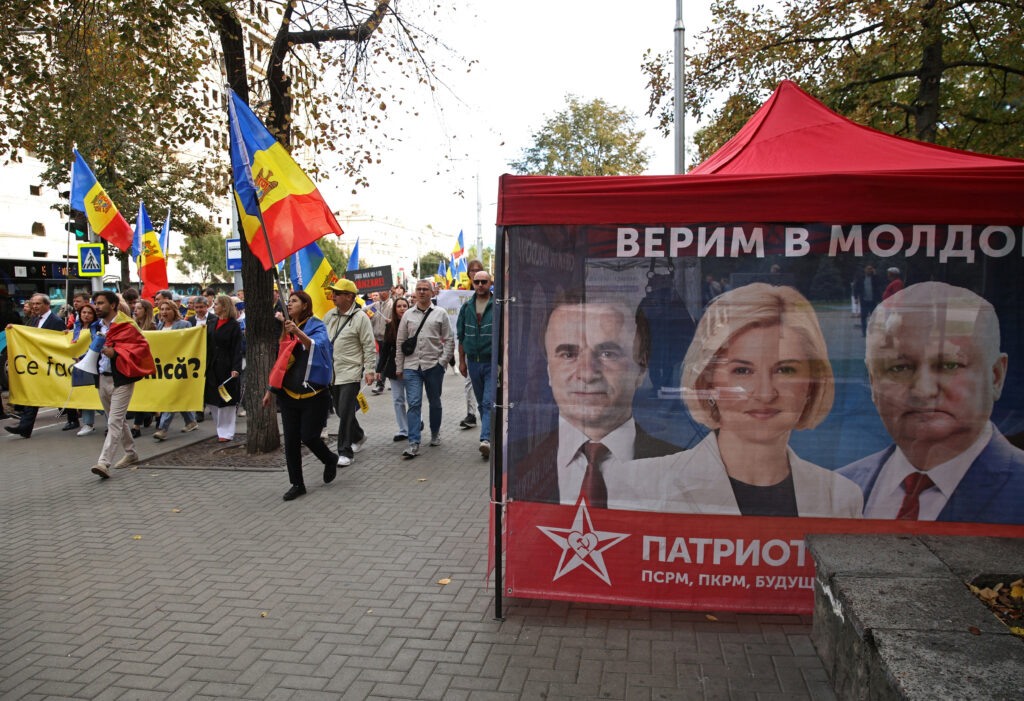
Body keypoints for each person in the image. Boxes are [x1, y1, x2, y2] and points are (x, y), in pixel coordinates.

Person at [636, 284, 862, 517]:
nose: (765, 394)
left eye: (785, 370)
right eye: (742, 371)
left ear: (811, 385)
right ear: (708, 383)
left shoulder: (842, 498)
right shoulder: (648, 485)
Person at [839, 282, 1024, 523]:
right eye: (899, 368)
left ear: (996, 376)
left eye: (949, 365)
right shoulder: (837, 491)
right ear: (873, 383)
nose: (923, 390)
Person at [509, 289, 682, 506]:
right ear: (549, 369)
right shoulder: (514, 462)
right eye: (568, 354)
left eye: (608, 354)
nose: (588, 374)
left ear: (642, 367)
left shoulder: (684, 469)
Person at [263, 290, 338, 501]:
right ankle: (297, 484)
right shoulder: (286, 330)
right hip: (288, 395)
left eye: (294, 301)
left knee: (310, 436)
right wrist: (270, 390)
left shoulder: (316, 325)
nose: (289, 304)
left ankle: (329, 458)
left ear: (305, 305)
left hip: (314, 395)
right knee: (291, 441)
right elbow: (282, 363)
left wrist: (297, 332)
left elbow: (317, 346)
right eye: (289, 301)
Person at [88, 290, 155, 478]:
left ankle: (103, 462)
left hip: (122, 378)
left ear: (113, 305)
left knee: (114, 421)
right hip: (102, 378)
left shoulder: (127, 325)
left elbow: (140, 348)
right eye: (95, 303)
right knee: (117, 420)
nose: (97, 307)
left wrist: (116, 353)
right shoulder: (96, 326)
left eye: (100, 303)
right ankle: (131, 453)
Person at [395, 279, 454, 459]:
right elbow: (400, 341)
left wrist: (442, 362)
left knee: (434, 402)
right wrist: (399, 366)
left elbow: (449, 339)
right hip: (412, 366)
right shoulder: (408, 315)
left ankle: (435, 432)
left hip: (433, 366)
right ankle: (414, 442)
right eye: (419, 289)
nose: (421, 292)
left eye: (425, 289)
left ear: (432, 292)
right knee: (413, 403)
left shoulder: (440, 313)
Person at [323, 279, 376, 466]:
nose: (333, 296)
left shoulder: (361, 318)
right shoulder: (329, 315)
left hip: (351, 371)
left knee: (345, 411)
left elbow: (369, 345)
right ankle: (359, 435)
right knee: (340, 410)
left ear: (349, 297)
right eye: (333, 293)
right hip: (332, 372)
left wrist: (370, 370)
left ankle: (345, 452)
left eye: (337, 293)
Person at [4, 293, 69, 438]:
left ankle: (73, 418)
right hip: (35, 365)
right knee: (33, 394)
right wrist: (13, 328)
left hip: (51, 365)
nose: (34, 306)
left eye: (38, 304)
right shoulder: (33, 320)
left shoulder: (56, 321)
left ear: (47, 305)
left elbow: (61, 343)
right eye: (33, 303)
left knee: (62, 392)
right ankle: (25, 427)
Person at [457, 269, 494, 459]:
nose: (480, 285)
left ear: (490, 283)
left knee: (487, 402)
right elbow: (461, 336)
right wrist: (461, 362)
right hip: (473, 363)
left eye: (484, 282)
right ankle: (491, 431)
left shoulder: (498, 305)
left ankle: (485, 439)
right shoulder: (467, 307)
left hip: (492, 363)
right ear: (472, 283)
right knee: (481, 403)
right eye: (477, 281)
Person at [152, 305, 198, 441]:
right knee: (177, 395)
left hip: (179, 364)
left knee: (171, 396)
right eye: (162, 309)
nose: (164, 312)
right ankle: (191, 421)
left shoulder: (184, 324)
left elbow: (190, 340)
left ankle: (163, 428)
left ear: (174, 310)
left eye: (167, 309)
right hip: (165, 366)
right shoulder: (160, 325)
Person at [204, 294, 243, 442]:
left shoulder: (234, 326)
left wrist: (236, 368)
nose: (214, 306)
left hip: (227, 366)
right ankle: (219, 427)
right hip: (212, 366)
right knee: (212, 398)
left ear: (224, 307)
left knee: (226, 400)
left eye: (216, 304)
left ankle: (226, 432)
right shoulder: (212, 322)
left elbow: (237, 348)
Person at [377, 296, 411, 442]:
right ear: (394, 309)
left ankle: (418, 421)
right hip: (394, 367)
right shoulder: (390, 326)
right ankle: (403, 429)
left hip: (411, 366)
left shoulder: (413, 323)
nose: (402, 308)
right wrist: (379, 369)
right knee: (398, 399)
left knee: (413, 398)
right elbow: (384, 349)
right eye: (399, 306)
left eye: (405, 306)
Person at [457, 259, 485, 430]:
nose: (475, 274)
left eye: (478, 270)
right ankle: (471, 413)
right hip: (470, 345)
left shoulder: (487, 289)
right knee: (469, 381)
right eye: (472, 271)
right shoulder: (461, 291)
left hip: (486, 347)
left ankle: (486, 416)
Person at [69, 303, 100, 436]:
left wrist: (83, 357)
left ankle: (112, 422)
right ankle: (88, 424)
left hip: (94, 364)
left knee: (99, 396)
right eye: (84, 313)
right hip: (80, 365)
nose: (86, 315)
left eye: (89, 313)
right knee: (85, 393)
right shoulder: (76, 328)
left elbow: (96, 344)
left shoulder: (97, 328)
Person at [369, 287, 392, 395]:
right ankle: (381, 382)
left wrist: (391, 322)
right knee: (379, 362)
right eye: (379, 290)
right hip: (376, 339)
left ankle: (380, 384)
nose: (380, 292)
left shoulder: (392, 305)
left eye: (383, 290)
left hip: (387, 339)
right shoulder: (375, 306)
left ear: (388, 291)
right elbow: (366, 313)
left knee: (383, 362)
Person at [853, 265, 885, 336]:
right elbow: (856, 288)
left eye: (870, 269)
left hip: (873, 300)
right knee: (863, 317)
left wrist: (875, 274)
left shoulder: (874, 278)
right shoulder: (861, 278)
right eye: (868, 269)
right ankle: (864, 333)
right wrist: (856, 298)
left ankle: (873, 332)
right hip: (864, 300)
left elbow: (880, 283)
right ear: (865, 270)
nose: (869, 270)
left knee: (874, 317)